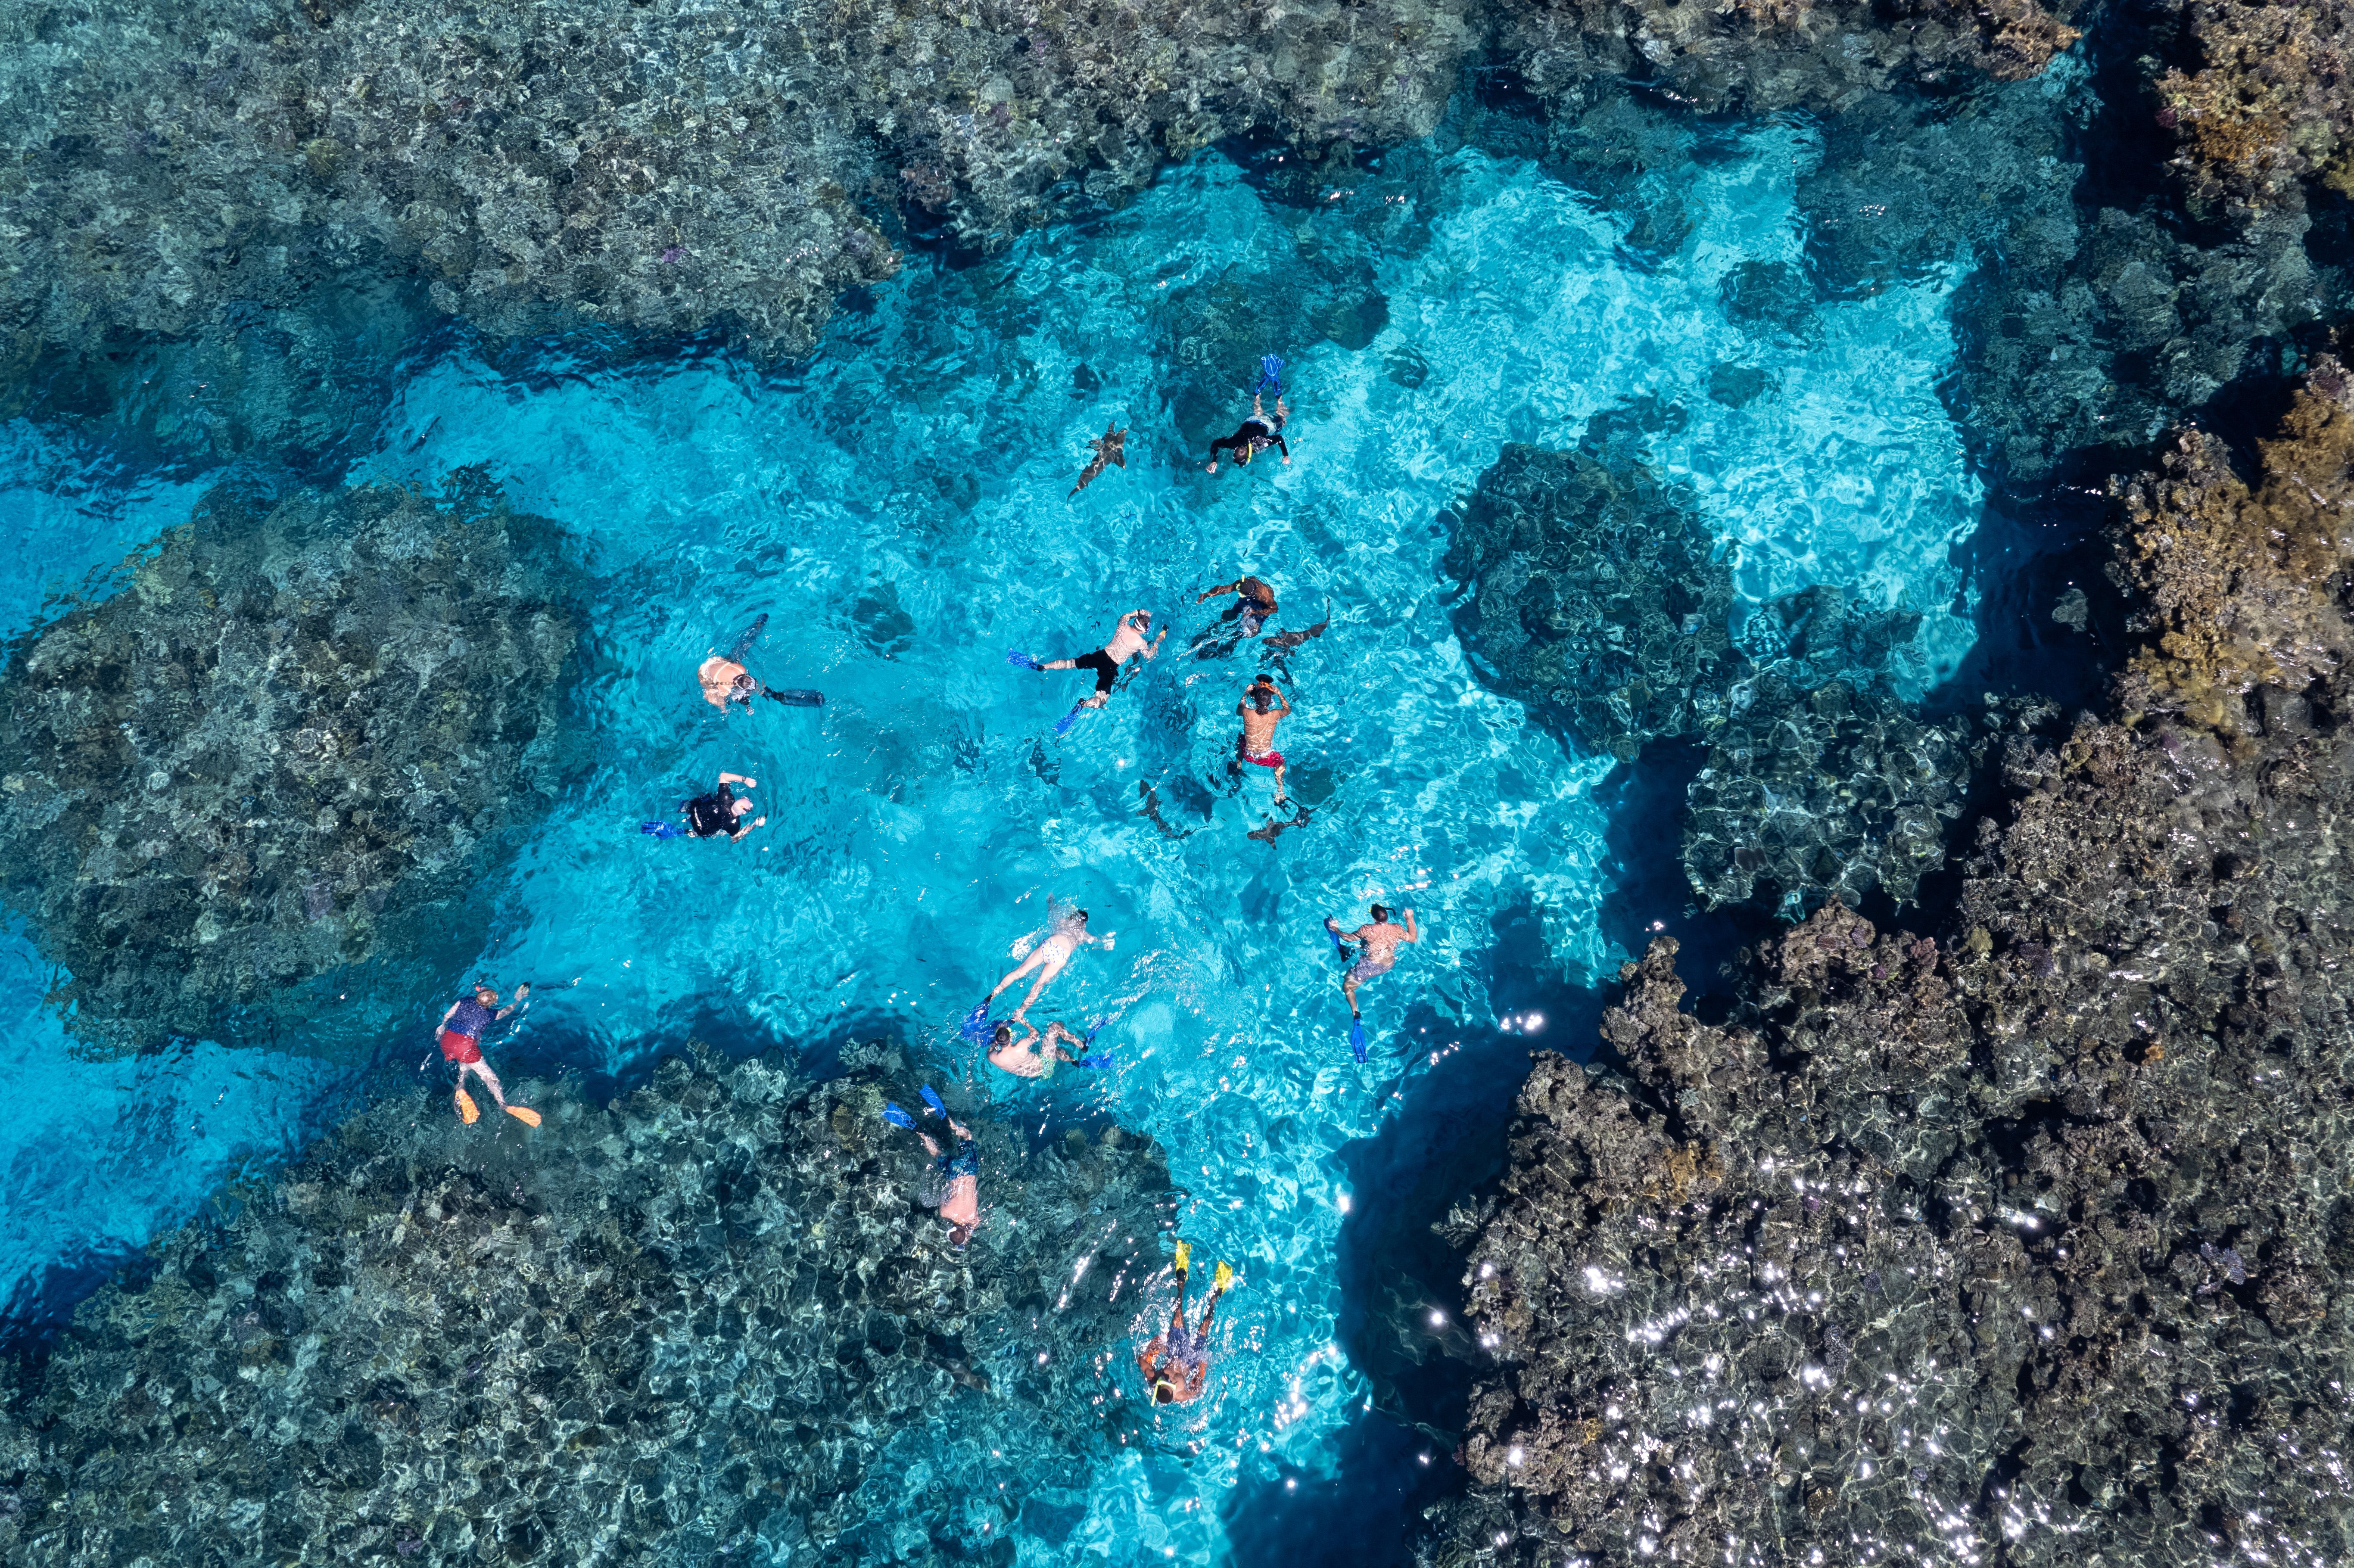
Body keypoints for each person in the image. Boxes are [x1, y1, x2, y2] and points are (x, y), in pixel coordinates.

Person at [1137, 1241, 1235, 1406]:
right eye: (1172, 1383)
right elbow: (1197, 1390)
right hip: (1192, 1359)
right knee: (1206, 1324)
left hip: (1175, 1351)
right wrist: (1201, 1371)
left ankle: (1181, 1276)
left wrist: (1155, 1348)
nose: (1169, 1378)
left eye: (1165, 1380)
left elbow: (1141, 1361)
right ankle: (1217, 1292)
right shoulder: (1181, 1395)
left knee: (1177, 1314)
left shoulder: (1155, 1377)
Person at [883, 1087, 981, 1248]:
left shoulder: (974, 1219)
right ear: (951, 1229)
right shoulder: (946, 1213)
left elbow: (971, 1227)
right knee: (937, 1153)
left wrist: (966, 1233)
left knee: (967, 1136)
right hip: (954, 1172)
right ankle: (919, 1131)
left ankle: (950, 1123)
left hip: (970, 1168)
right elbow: (944, 1192)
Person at [433, 984, 540, 1126]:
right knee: (491, 1078)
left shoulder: (464, 1000)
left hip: (447, 1041)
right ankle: (504, 1104)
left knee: (463, 1061)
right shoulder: (490, 1014)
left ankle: (461, 1085)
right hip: (466, 1046)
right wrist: (518, 1000)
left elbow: (448, 1015)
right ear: (492, 1003)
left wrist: (442, 1025)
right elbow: (507, 1011)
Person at [982, 906, 1112, 1022]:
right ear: (1084, 925)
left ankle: (992, 996)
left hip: (1050, 944)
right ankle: (1019, 1013)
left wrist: (1051, 900)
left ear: (1072, 917)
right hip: (1061, 956)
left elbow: (1052, 910)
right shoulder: (1083, 935)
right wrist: (1107, 943)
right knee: (1038, 985)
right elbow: (1098, 941)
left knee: (1020, 972)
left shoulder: (1063, 922)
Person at [1035, 609, 1166, 709]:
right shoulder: (1141, 643)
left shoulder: (1123, 626)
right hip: (1111, 667)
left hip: (1101, 655)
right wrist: (1158, 641)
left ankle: (1044, 667)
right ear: (1145, 630)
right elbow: (1150, 656)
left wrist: (1138, 612)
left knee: (1072, 663)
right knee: (1102, 698)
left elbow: (1125, 616)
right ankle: (1084, 704)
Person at [698, 615, 824, 711]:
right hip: (704, 674)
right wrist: (724, 709)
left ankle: (758, 626)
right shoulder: (726, 688)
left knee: (743, 646)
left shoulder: (738, 670)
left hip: (717, 661)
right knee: (727, 699)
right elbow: (712, 696)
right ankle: (786, 697)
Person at [1325, 903, 1420, 1025]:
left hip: (1370, 966)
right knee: (1361, 948)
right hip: (1388, 964)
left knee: (1347, 987)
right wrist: (1410, 919)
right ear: (1387, 916)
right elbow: (1413, 939)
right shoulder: (1397, 928)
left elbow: (1349, 938)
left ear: (1374, 919)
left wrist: (1335, 929)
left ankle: (1356, 1013)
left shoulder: (1367, 929)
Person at [644, 772, 768, 841]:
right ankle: (685, 832)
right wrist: (755, 825)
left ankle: (681, 809)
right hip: (702, 829)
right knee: (718, 833)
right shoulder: (734, 824)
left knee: (706, 798)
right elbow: (734, 839)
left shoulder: (727, 798)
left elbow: (723, 776)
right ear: (744, 813)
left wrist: (744, 779)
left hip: (695, 809)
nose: (747, 798)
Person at [1230, 675, 1292, 806]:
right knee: (1281, 763)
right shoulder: (1275, 714)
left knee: (1241, 738)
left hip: (1248, 755)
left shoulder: (1247, 713)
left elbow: (1238, 710)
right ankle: (1280, 791)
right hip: (1265, 758)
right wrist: (1280, 693)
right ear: (1270, 702)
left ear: (1255, 699)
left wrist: (1245, 694)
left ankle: (1239, 766)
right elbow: (1288, 710)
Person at [1205, 393, 1289, 473]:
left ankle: (1279, 401)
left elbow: (1279, 438)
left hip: (1265, 423)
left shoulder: (1259, 445)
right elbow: (1216, 443)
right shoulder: (1233, 443)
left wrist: (1286, 455)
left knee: (1283, 422)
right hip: (1250, 419)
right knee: (1258, 411)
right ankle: (1257, 397)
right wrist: (1214, 461)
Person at [986, 1019, 1089, 1078]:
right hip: (1046, 1064)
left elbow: (990, 1051)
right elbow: (1035, 1034)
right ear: (1011, 1036)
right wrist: (1023, 1021)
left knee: (1056, 1050)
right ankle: (1083, 1046)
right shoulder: (1020, 1046)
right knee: (1055, 1027)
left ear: (996, 1041)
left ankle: (1073, 1061)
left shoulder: (993, 1058)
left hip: (1041, 1075)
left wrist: (994, 1043)